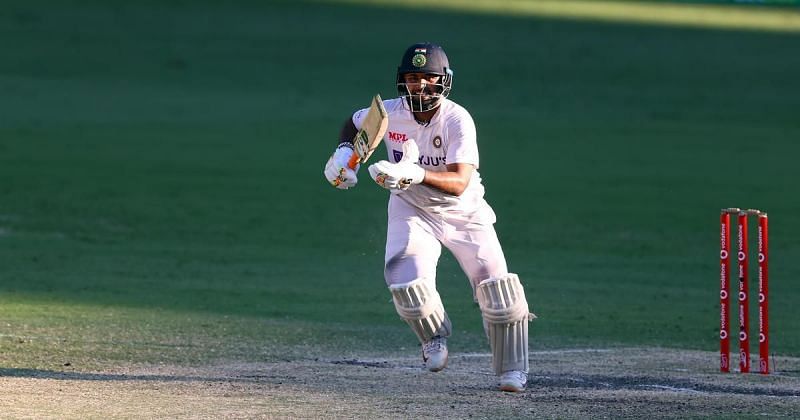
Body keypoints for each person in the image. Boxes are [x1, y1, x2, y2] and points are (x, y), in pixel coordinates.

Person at [323, 42, 534, 392]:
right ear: (401, 81)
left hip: (464, 212)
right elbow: (354, 122)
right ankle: (433, 339)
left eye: (428, 78)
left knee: (500, 295)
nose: (420, 86)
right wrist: (346, 154)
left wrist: (416, 174)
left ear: (443, 82)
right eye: (412, 77)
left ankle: (512, 370)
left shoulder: (457, 118)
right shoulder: (389, 113)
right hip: (411, 208)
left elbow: (459, 182)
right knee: (406, 284)